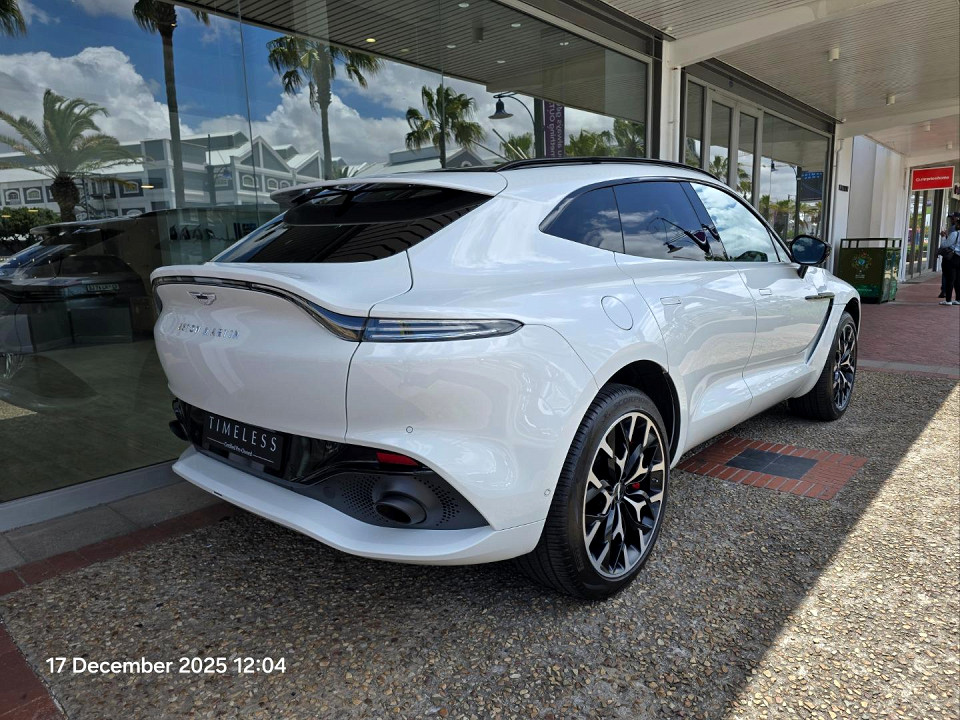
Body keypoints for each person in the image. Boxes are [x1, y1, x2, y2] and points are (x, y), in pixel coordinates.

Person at [939, 211, 960, 306]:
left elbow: (944, 245)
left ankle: (948, 300)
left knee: (950, 279)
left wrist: (943, 237)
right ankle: (958, 299)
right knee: (958, 280)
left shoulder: (955, 234)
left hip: (952, 259)